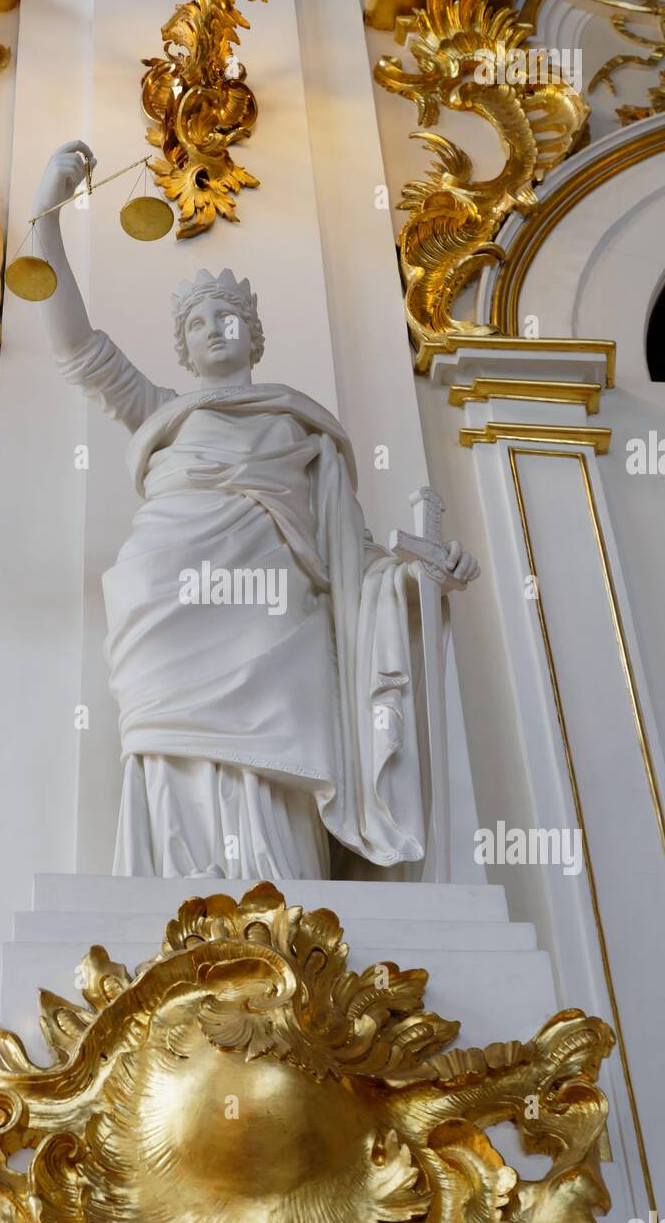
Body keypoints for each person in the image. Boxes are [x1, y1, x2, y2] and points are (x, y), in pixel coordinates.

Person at [32, 141, 480, 879]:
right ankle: (176, 899)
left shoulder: (300, 427)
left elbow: (349, 552)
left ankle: (282, 904)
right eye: (198, 322)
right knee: (172, 747)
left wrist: (414, 577)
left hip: (274, 617)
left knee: (277, 748)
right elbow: (75, 346)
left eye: (227, 317)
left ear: (255, 335)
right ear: (182, 347)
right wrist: (47, 213)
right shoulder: (163, 412)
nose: (214, 328)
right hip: (165, 600)